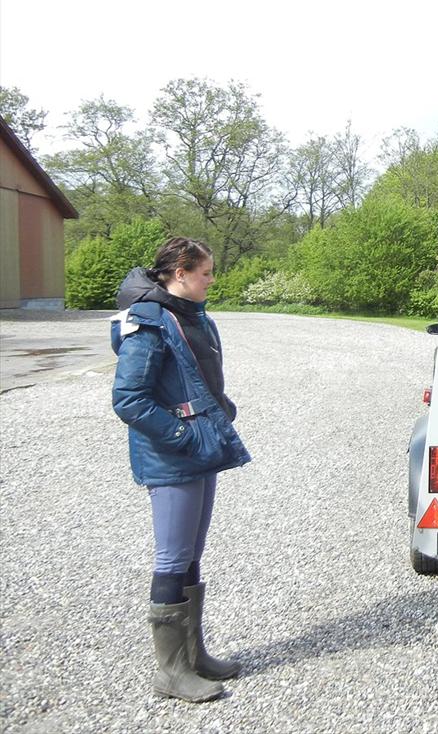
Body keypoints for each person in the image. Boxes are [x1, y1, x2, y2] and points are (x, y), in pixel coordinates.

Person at [111, 238, 252, 702]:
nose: (212, 280)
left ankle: (194, 656)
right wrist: (183, 437)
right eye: (206, 272)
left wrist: (219, 411)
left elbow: (199, 376)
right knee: (173, 558)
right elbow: (129, 399)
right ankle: (170, 673)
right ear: (180, 273)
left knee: (192, 554)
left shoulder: (192, 315)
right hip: (173, 456)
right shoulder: (149, 321)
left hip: (199, 448)